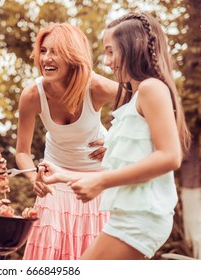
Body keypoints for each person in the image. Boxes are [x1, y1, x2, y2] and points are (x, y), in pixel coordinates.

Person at [36, 12, 191, 260]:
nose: (107, 62)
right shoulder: (136, 98)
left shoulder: (152, 88)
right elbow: (131, 165)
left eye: (111, 52)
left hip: (140, 219)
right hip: (126, 216)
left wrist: (100, 183)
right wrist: (64, 175)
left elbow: (170, 156)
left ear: (133, 48)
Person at [15, 23, 118, 260]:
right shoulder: (32, 95)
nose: (46, 59)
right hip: (55, 180)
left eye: (55, 51)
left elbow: (142, 103)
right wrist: (35, 178)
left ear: (73, 56)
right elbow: (22, 151)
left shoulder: (95, 86)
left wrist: (115, 140)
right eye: (43, 51)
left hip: (97, 180)